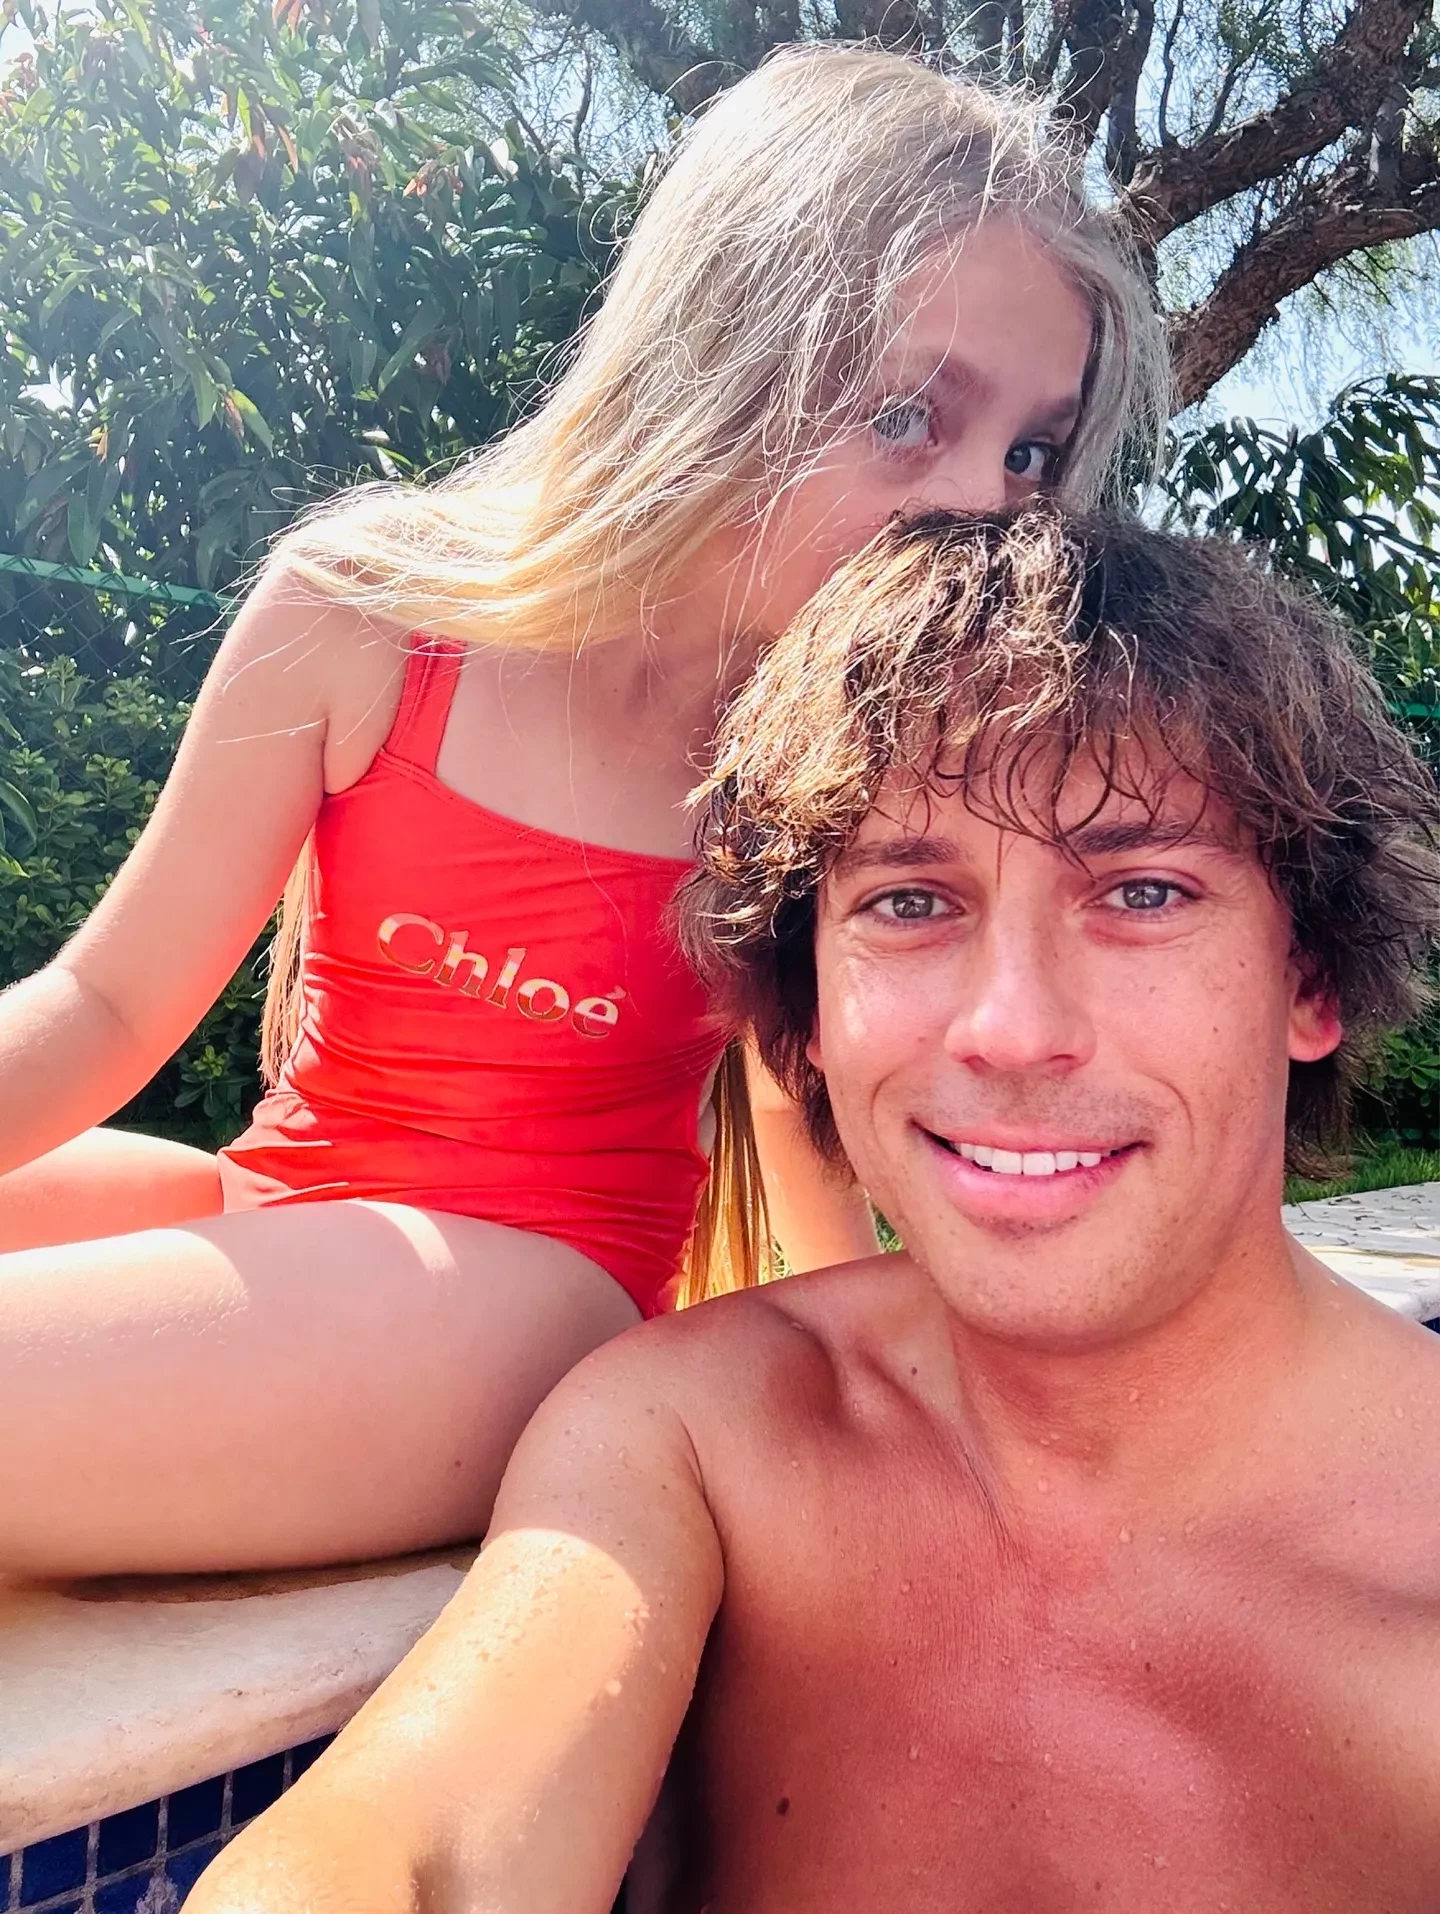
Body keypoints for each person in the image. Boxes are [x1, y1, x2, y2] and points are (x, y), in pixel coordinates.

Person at [0, 49, 1168, 1578]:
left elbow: (804, 1112)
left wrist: (883, 1432)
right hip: (269, 1202)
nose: (980, 508)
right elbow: (104, 1002)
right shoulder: (367, 612)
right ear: (722, 352)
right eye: (907, 412)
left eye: (1030, 452)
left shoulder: (838, 758)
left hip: (522, 1305)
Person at [189, 507, 1440, 1914]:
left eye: (1142, 891)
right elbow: (410, 1843)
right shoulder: (702, 1437)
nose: (1009, 1028)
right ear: (812, 1011)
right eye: (910, 903)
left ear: (1310, 978)